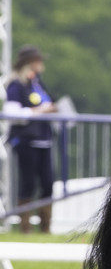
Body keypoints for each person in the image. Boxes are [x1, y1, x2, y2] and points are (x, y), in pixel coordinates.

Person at [4, 46, 57, 233]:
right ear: (30, 63)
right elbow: (12, 113)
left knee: (47, 183)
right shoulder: (16, 84)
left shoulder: (37, 82)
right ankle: (25, 228)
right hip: (26, 140)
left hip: (44, 139)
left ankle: (45, 228)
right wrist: (40, 111)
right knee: (28, 183)